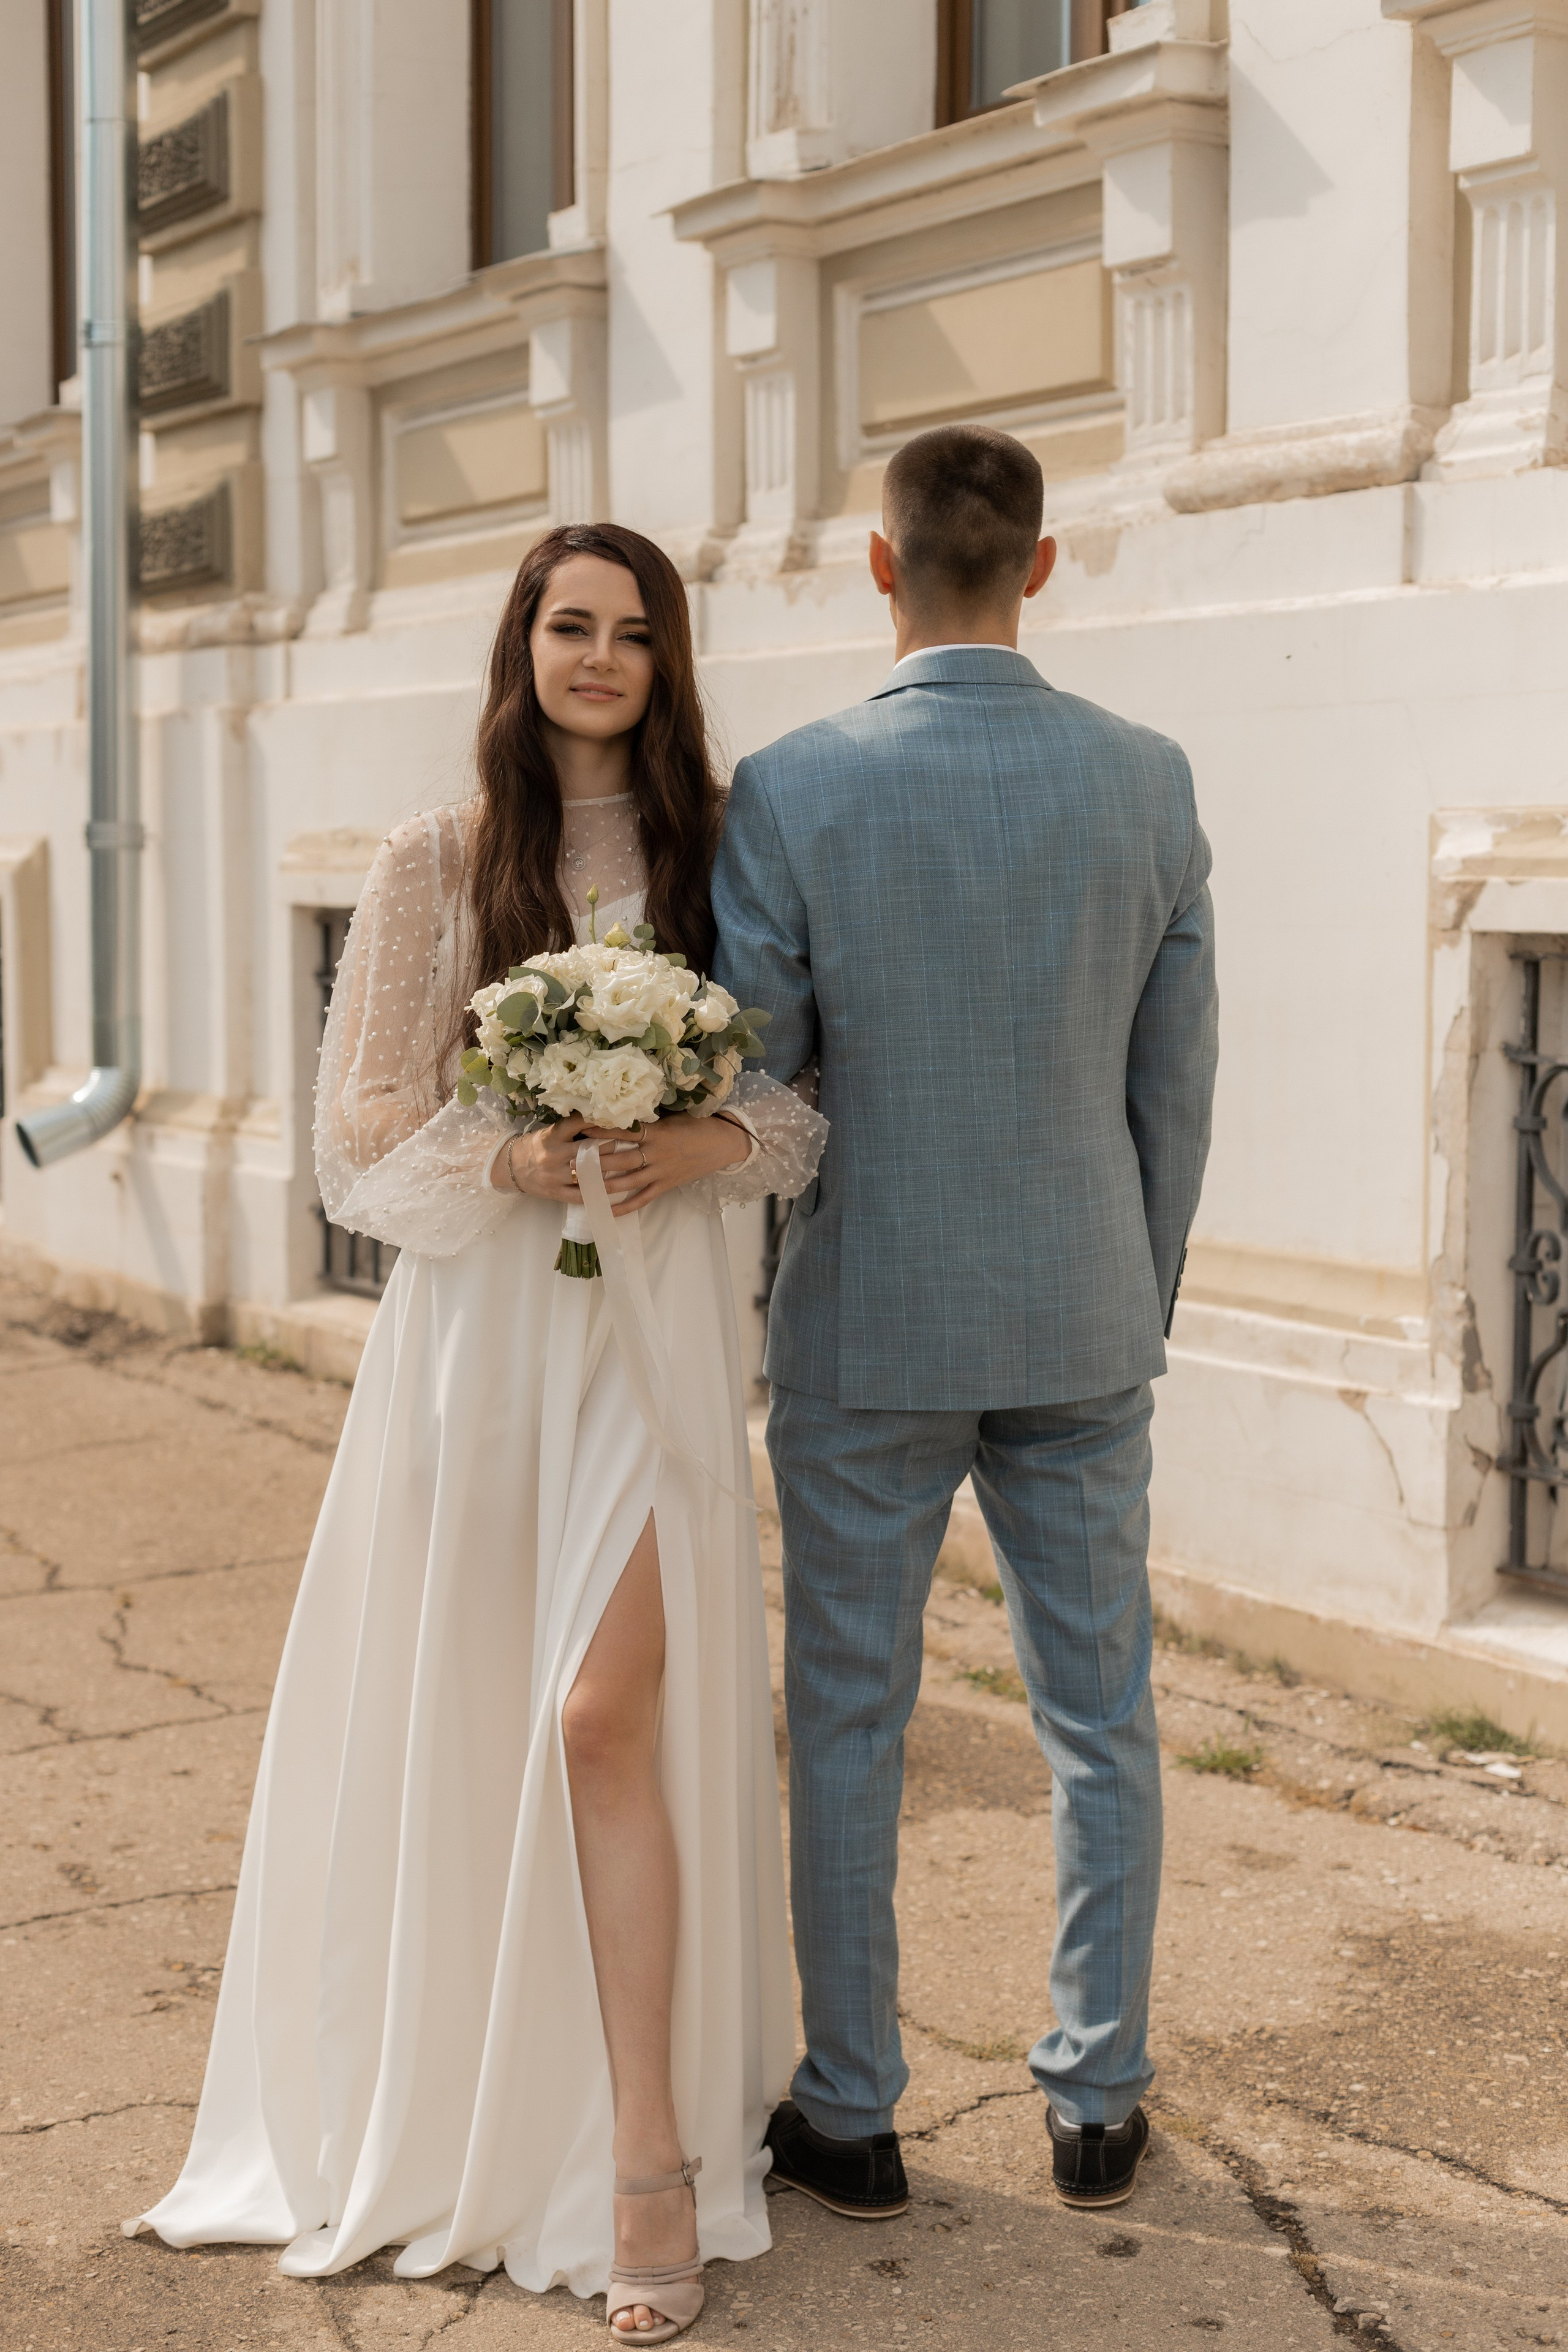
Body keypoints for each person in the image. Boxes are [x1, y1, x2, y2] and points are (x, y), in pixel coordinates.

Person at [128, 523, 826, 2343]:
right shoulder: (441, 859)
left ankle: (649, 2158)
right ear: (521, 647)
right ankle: (475, 2110)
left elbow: (810, 1100)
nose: (599, 658)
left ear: (671, 661)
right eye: (567, 626)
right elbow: (355, 1135)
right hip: (484, 1345)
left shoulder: (725, 843)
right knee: (474, 1723)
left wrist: (716, 1141)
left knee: (608, 1716)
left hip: (658, 1339)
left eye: (633, 633)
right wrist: (517, 1149)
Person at [713, 422, 1219, 2218]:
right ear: (1045, 562)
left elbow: (754, 1083)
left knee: (849, 1718)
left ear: (879, 563)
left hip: (870, 1321)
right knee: (1104, 1719)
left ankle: (849, 2112)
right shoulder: (1148, 781)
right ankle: (1096, 2101)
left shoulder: (791, 788)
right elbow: (1181, 1088)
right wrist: (1128, 1295)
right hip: (1083, 1314)